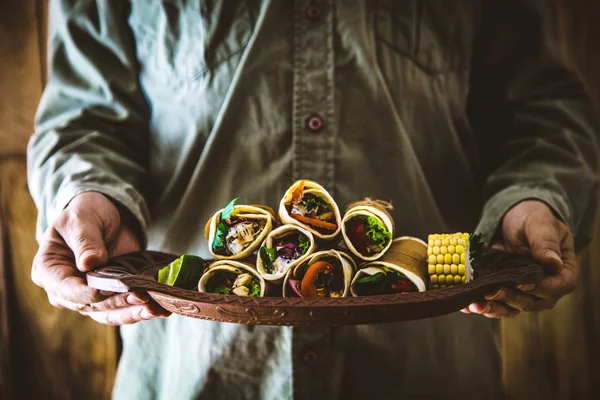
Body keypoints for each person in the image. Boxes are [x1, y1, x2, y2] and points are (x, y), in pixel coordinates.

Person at [27, 1, 598, 399]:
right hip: (191, 371)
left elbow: (541, 109)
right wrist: (87, 194)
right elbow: (84, 116)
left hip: (431, 368)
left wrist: (536, 196)